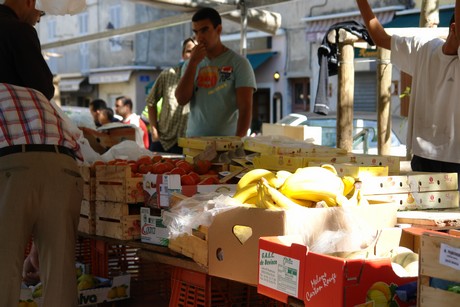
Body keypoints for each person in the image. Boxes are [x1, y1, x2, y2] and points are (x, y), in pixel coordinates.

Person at [0, 83, 83, 306]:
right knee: (60, 275)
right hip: (66, 169)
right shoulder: (37, 95)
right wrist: (38, 247)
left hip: (11, 169)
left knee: (3, 269)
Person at [357, 0, 460, 177]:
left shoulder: (424, 49)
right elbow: (379, 37)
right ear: (453, 29)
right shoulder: (424, 49)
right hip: (424, 156)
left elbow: (379, 37)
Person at [175, 7, 257, 137]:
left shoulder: (239, 63)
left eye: (204, 30)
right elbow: (181, 99)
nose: (199, 37)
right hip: (194, 142)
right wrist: (193, 63)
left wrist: (237, 143)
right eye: (196, 32)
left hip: (226, 143)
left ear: (218, 30)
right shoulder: (190, 64)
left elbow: (246, 108)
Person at [146, 37, 196, 154]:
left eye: (196, 51)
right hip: (163, 142)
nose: (192, 55)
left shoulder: (205, 79)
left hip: (189, 144)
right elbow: (151, 101)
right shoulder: (168, 74)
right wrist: (154, 132)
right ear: (183, 55)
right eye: (189, 51)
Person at [0, 0, 53, 100]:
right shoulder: (20, 31)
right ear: (30, 1)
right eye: (41, 12)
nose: (38, 20)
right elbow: (44, 91)